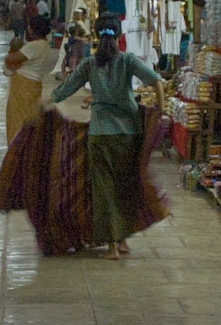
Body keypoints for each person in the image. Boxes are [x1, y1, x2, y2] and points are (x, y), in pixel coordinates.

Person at [51, 19, 162, 260]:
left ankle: (112, 247)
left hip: (101, 134)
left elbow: (66, 89)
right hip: (129, 134)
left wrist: (48, 101)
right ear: (119, 36)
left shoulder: (90, 64)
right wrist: (161, 111)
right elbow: (155, 80)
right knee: (125, 186)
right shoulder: (128, 61)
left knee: (105, 191)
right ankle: (123, 241)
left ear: (96, 36)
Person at [1, 16, 54, 142]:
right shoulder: (44, 44)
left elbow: (12, 59)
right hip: (33, 87)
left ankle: (18, 149)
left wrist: (10, 53)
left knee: (18, 120)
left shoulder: (34, 45)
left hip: (23, 88)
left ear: (33, 29)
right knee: (29, 119)